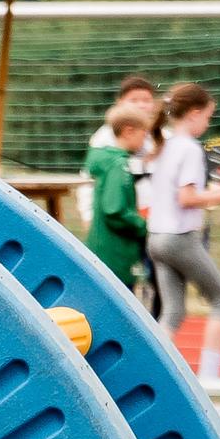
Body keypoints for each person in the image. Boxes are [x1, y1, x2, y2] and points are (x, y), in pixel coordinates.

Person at [141, 74, 220, 386]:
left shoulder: (163, 145)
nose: (208, 124)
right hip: (178, 238)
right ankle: (211, 376)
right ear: (195, 113)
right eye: (209, 117)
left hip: (156, 237)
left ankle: (151, 371)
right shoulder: (189, 148)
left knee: (172, 312)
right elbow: (187, 198)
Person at [78, 79, 157, 295]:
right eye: (143, 134)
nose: (144, 140)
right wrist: (143, 225)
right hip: (117, 251)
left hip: (110, 247)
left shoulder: (110, 159)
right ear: (129, 131)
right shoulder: (118, 164)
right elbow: (114, 209)